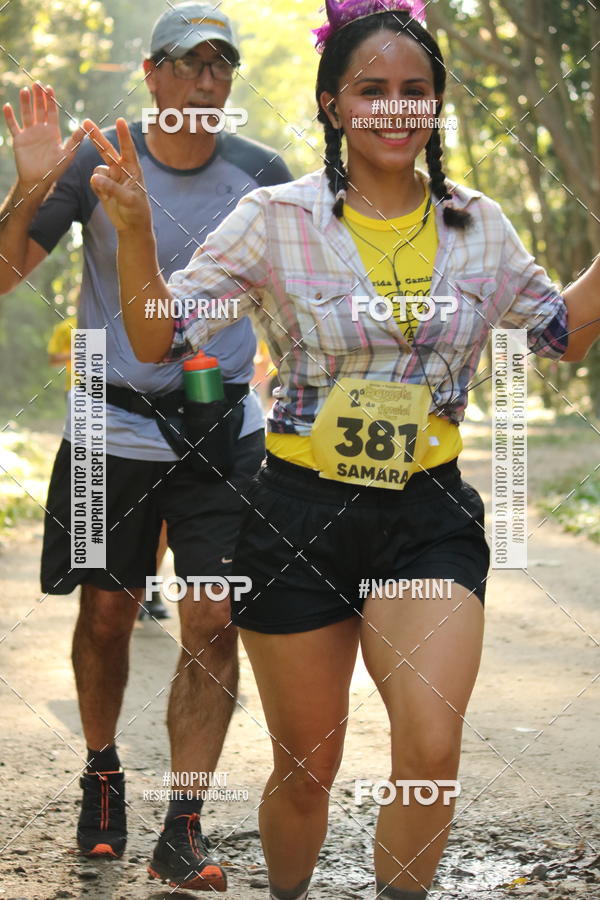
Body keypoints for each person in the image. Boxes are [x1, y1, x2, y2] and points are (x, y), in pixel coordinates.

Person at [83, 1, 600, 897]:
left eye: (416, 91)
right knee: (305, 771)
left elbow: (561, 334)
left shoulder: (480, 226)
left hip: (427, 516)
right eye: (372, 90)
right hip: (298, 518)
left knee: (432, 749)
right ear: (332, 105)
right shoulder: (274, 216)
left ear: (436, 106)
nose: (396, 108)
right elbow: (157, 336)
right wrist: (133, 230)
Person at [0, 1, 291, 892]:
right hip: (109, 426)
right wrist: (30, 184)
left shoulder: (262, 172)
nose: (207, 80)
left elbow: (300, 289)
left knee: (212, 614)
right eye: (188, 62)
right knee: (107, 615)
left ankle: (185, 820)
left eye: (221, 66)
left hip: (221, 429)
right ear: (153, 74)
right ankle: (102, 776)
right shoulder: (96, 161)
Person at [47, 311, 76, 391]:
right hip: (75, 389)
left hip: (108, 386)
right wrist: (80, 353)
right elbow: (53, 358)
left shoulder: (108, 324)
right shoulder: (66, 326)